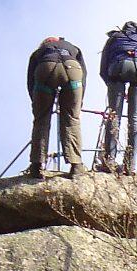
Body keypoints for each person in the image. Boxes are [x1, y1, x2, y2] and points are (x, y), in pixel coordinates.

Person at [99, 21, 137, 175]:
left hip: (117, 68)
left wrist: (111, 84)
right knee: (135, 117)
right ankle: (129, 165)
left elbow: (103, 66)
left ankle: (109, 160)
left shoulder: (114, 38)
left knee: (114, 116)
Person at [27, 36, 87, 178]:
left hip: (45, 69)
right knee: (71, 118)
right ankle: (76, 165)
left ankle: (36, 165)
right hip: (72, 69)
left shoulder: (39, 52)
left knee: (41, 120)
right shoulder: (73, 47)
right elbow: (84, 75)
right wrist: (78, 102)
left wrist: (38, 105)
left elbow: (31, 81)